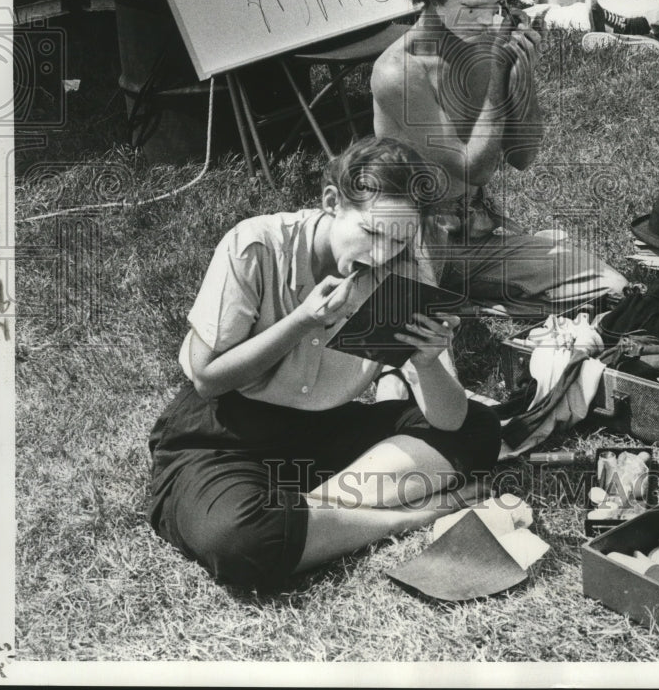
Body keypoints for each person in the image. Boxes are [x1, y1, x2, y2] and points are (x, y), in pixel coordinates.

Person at [147, 137, 502, 591]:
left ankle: (306, 515)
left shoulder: (402, 271)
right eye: (372, 233)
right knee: (242, 542)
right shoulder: (255, 245)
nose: (380, 254)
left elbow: (450, 420)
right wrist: (301, 322)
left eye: (397, 240)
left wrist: (429, 363)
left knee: (480, 428)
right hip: (223, 431)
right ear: (332, 202)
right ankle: (415, 513)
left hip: (322, 431)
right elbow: (208, 379)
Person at [371, 0, 628, 316]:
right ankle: (456, 300)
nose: (487, 19)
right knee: (402, 334)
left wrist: (521, 78)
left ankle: (471, 297)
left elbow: (523, 156)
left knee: (609, 288)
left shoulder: (481, 41)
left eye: (496, 5)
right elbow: (473, 169)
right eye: (472, 7)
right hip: (409, 236)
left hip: (473, 232)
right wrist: (495, 86)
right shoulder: (399, 72)